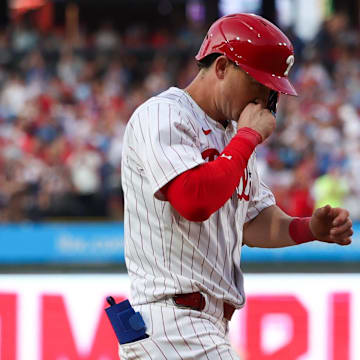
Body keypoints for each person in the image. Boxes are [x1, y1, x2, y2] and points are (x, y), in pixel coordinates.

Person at [120, 13, 353, 359]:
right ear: (222, 67)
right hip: (172, 321)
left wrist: (309, 228)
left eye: (273, 89)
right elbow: (193, 200)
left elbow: (253, 221)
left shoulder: (232, 136)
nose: (267, 98)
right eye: (259, 82)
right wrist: (247, 138)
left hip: (201, 325)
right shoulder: (164, 114)